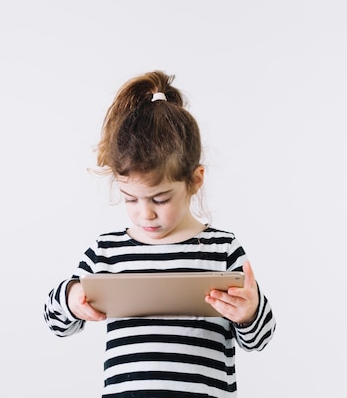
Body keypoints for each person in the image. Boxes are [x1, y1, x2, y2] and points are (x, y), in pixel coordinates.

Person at [43, 71, 276, 397]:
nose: (145, 213)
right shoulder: (108, 250)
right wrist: (71, 300)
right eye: (131, 199)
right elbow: (55, 321)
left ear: (195, 180)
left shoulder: (221, 249)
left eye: (160, 199)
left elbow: (260, 338)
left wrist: (249, 312)